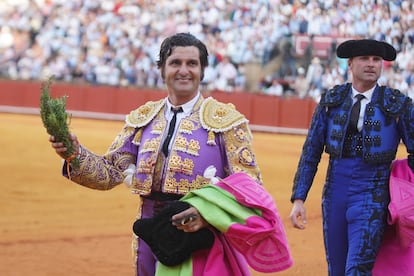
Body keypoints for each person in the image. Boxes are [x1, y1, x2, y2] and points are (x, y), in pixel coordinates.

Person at [49, 32, 291, 276]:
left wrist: (206, 214)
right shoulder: (143, 118)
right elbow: (110, 171)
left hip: (200, 236)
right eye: (175, 63)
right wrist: (74, 154)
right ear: (162, 70)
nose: (184, 70)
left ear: (202, 71)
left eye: (192, 64)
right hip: (150, 232)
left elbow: (250, 187)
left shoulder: (226, 122)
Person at [289, 38, 414, 275]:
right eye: (364, 59)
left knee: (357, 269)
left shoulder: (398, 105)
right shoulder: (331, 101)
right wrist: (299, 198)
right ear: (350, 64)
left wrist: (404, 187)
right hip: (334, 194)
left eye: (376, 59)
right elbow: (311, 152)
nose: (371, 64)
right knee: (336, 269)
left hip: (373, 195)